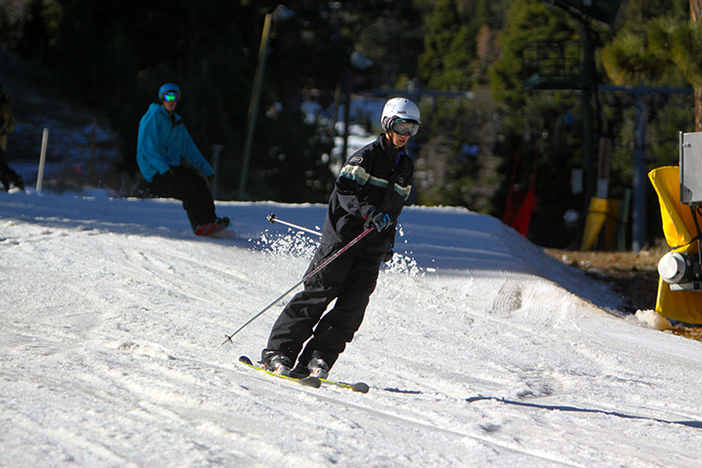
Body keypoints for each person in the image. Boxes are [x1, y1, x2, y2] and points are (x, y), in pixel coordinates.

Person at [260, 97, 421, 379]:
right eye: (400, 126)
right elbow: (344, 192)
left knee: (351, 309)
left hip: (372, 248)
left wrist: (388, 241)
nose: (405, 135)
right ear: (387, 124)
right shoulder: (366, 157)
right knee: (316, 296)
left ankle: (317, 358)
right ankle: (278, 352)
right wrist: (368, 212)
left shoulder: (406, 167)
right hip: (343, 240)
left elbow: (394, 210)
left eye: (412, 130)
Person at [137, 82, 228, 234]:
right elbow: (148, 148)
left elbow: (189, 149)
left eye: (175, 97)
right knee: (187, 188)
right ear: (162, 99)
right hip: (156, 170)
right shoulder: (153, 116)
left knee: (198, 182)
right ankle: (199, 223)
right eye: (168, 96)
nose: (171, 101)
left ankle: (211, 220)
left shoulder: (177, 123)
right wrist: (163, 169)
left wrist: (206, 169)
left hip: (171, 166)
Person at [0, 84, 24, 191]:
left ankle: (10, 182)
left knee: (0, 164)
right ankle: (13, 182)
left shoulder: (3, 104)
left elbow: (10, 122)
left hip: (0, 139)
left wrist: (3, 130)